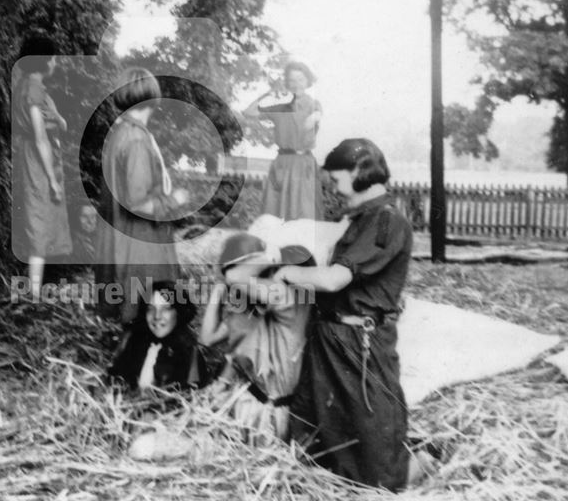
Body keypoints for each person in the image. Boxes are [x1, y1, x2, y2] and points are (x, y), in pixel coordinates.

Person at [275, 138, 412, 491]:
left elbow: (336, 279)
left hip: (359, 345)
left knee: (378, 468)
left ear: (358, 171)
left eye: (336, 181)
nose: (334, 190)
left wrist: (287, 273)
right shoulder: (359, 219)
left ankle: (418, 465)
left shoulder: (386, 220)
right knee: (315, 443)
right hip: (331, 339)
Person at [94, 67, 189, 324]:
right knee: (146, 304)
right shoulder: (137, 140)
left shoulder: (120, 131)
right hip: (139, 239)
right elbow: (137, 204)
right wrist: (174, 200)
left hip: (123, 236)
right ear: (152, 97)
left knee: (136, 306)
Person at [199, 233, 314, 442]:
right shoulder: (254, 309)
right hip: (247, 401)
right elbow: (207, 339)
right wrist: (218, 292)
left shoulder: (290, 299)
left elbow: (235, 277)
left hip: (272, 416)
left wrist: (266, 257)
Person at [11, 35, 72, 299]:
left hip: (33, 156)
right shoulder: (34, 89)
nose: (56, 62)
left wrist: (57, 118)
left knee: (37, 216)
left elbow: (59, 124)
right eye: (54, 57)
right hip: (38, 159)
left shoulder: (30, 87)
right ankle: (35, 293)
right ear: (45, 61)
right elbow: (39, 137)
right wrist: (53, 179)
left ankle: (32, 283)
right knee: (38, 217)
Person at [244, 60, 322, 221]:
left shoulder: (313, 104)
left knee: (303, 213)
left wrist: (313, 119)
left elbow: (317, 114)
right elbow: (249, 112)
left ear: (308, 81)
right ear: (286, 83)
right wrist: (269, 92)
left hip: (303, 164)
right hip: (282, 164)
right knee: (274, 212)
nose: (296, 84)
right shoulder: (280, 109)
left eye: (300, 79)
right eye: (291, 80)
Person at [107, 281, 210, 390]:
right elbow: (115, 379)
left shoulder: (190, 351)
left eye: (166, 308)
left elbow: (193, 393)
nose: (157, 316)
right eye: (150, 308)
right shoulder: (135, 340)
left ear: (179, 311)